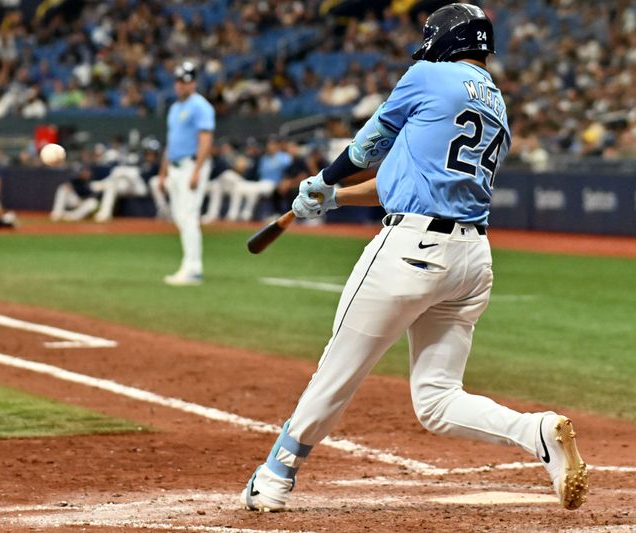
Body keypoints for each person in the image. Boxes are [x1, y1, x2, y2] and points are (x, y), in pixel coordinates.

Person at [240, 4, 588, 514]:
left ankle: (273, 477)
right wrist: (332, 200)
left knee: (337, 369)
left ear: (444, 41)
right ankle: (536, 431)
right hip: (472, 261)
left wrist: (326, 178)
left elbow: (369, 146)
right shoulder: (495, 102)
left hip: (411, 250)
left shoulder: (429, 74)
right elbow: (403, 176)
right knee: (437, 401)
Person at [157, 61, 215, 286]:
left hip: (191, 165)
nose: (182, 85)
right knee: (181, 217)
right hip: (175, 166)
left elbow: (205, 140)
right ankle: (188, 264)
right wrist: (163, 172)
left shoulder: (201, 106)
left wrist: (198, 170)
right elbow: (171, 143)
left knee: (189, 216)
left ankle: (193, 268)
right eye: (179, 81)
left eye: (186, 81)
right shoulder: (174, 108)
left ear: (194, 83)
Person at [227, 135, 292, 221]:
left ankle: (247, 214)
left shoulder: (284, 157)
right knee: (238, 187)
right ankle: (233, 214)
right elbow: (256, 173)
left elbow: (290, 171)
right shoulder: (264, 158)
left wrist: (285, 181)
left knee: (254, 190)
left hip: (273, 184)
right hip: (261, 183)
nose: (270, 146)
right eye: (269, 144)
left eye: (273, 144)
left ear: (277, 146)